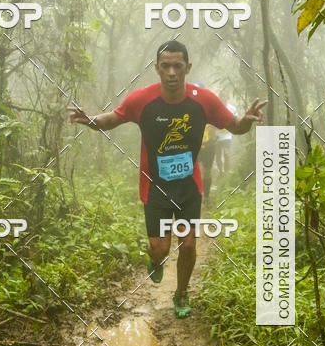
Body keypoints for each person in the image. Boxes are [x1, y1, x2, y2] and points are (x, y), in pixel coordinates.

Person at [68, 40, 266, 318]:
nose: (172, 72)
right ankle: (155, 259)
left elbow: (235, 126)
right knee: (160, 247)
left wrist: (247, 120)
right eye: (166, 66)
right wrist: (89, 119)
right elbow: (113, 119)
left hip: (189, 186)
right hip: (155, 186)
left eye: (177, 66)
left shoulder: (204, 99)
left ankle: (182, 293)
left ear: (187, 68)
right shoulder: (142, 100)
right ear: (157, 69)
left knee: (187, 244)